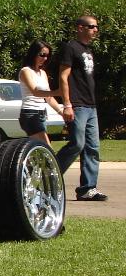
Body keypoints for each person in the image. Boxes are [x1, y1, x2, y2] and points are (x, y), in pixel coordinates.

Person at [55, 15, 107, 201]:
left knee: (93, 148)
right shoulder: (71, 47)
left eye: (96, 27)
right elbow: (63, 77)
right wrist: (67, 104)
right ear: (80, 28)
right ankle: (49, 176)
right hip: (77, 104)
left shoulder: (88, 50)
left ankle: (87, 189)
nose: (95, 30)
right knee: (77, 144)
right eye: (92, 26)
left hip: (90, 105)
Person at [17, 40, 63, 145]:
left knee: (40, 148)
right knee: (46, 147)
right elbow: (35, 92)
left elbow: (48, 98)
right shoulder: (25, 71)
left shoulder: (43, 73)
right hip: (30, 114)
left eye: (47, 56)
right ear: (33, 53)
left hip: (41, 115)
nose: (45, 58)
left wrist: (61, 112)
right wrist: (57, 92)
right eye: (42, 55)